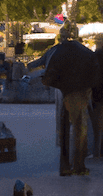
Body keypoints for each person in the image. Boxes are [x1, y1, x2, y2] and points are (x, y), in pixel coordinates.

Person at [41, 25, 98, 176]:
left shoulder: (58, 51)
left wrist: (55, 84)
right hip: (82, 94)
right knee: (81, 131)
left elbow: (49, 76)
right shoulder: (87, 52)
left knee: (65, 131)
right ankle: (79, 164)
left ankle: (65, 166)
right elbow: (95, 75)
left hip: (65, 94)